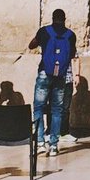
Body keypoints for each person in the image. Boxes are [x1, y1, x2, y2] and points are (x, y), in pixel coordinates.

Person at [28, 8, 78, 157]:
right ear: (64, 19)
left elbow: (31, 45)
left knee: (38, 107)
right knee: (57, 110)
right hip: (61, 75)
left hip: (45, 72)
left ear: (52, 18)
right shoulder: (71, 35)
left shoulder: (44, 31)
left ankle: (40, 142)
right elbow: (72, 54)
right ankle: (54, 145)